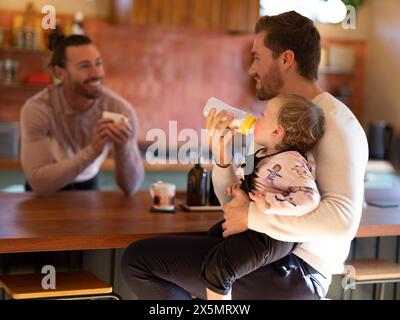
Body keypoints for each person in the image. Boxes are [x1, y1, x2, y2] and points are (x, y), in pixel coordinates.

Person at [121, 11, 368, 300]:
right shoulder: (272, 128)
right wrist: (223, 159)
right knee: (157, 256)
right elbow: (235, 206)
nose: (251, 69)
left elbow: (342, 221)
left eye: (257, 57)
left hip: (297, 271)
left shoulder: (337, 121)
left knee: (140, 262)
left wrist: (253, 219)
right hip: (262, 252)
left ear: (286, 59)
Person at [202, 93, 325, 300]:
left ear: (277, 131)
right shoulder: (260, 153)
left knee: (219, 268)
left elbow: (309, 197)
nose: (255, 118)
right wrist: (238, 188)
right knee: (213, 237)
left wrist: (270, 203)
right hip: (251, 225)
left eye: (263, 115)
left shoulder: (292, 162)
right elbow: (248, 176)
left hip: (268, 234)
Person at [20, 33, 144, 196]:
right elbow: (40, 184)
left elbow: (131, 187)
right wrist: (93, 150)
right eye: (85, 66)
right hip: (49, 186)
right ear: (60, 73)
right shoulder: (39, 108)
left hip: (88, 184)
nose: (96, 73)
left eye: (98, 63)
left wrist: (123, 148)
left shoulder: (120, 110)